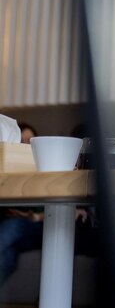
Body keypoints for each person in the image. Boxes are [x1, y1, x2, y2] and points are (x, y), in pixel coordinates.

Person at [0, 117, 44, 284]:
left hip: (38, 227)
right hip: (13, 232)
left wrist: (32, 216)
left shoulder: (44, 168)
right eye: (22, 141)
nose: (26, 145)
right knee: (8, 254)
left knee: (16, 225)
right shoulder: (7, 170)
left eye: (30, 141)